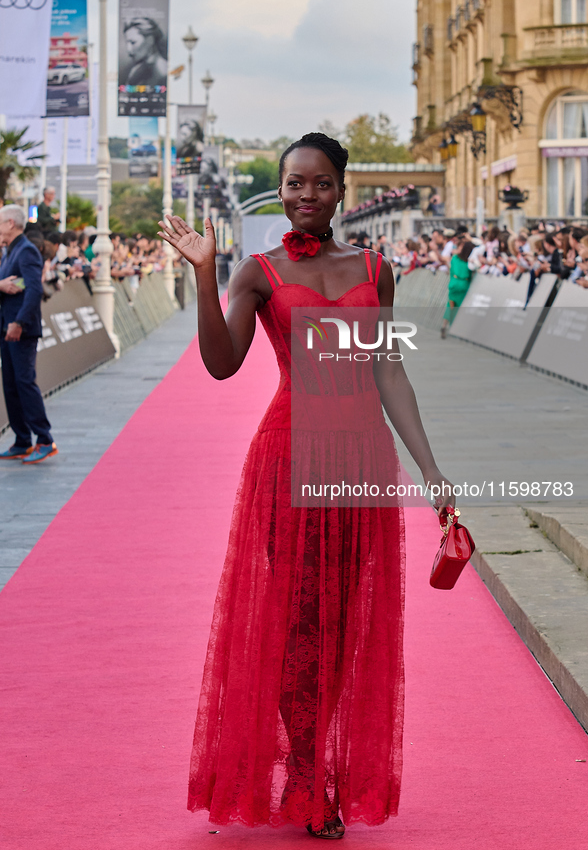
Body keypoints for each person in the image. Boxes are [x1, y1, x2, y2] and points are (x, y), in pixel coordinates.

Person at [158, 132, 454, 840]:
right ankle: (305, 768)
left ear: (340, 190)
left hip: (360, 461)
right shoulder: (256, 271)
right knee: (297, 624)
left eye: (319, 183)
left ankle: (312, 758)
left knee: (345, 620)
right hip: (287, 457)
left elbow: (387, 373)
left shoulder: (378, 268)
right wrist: (206, 274)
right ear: (281, 188)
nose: (305, 196)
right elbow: (222, 363)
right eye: (293, 183)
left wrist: (430, 467)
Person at [0, 205, 58, 463]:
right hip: (7, 326)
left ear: (10, 223)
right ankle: (22, 440)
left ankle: (44, 439)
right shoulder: (9, 251)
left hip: (21, 329)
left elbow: (34, 290)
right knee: (11, 385)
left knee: (24, 383)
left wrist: (20, 322)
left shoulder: (26, 251)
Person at [441, 238, 474, 338]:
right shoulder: (469, 262)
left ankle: (444, 325)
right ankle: (454, 328)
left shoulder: (455, 258)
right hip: (464, 284)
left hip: (454, 283)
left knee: (450, 305)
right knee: (459, 307)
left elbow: (451, 271)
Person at [123, 17, 168, 87]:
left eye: (133, 42)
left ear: (150, 40)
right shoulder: (137, 70)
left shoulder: (162, 72)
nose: (128, 50)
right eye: (127, 43)